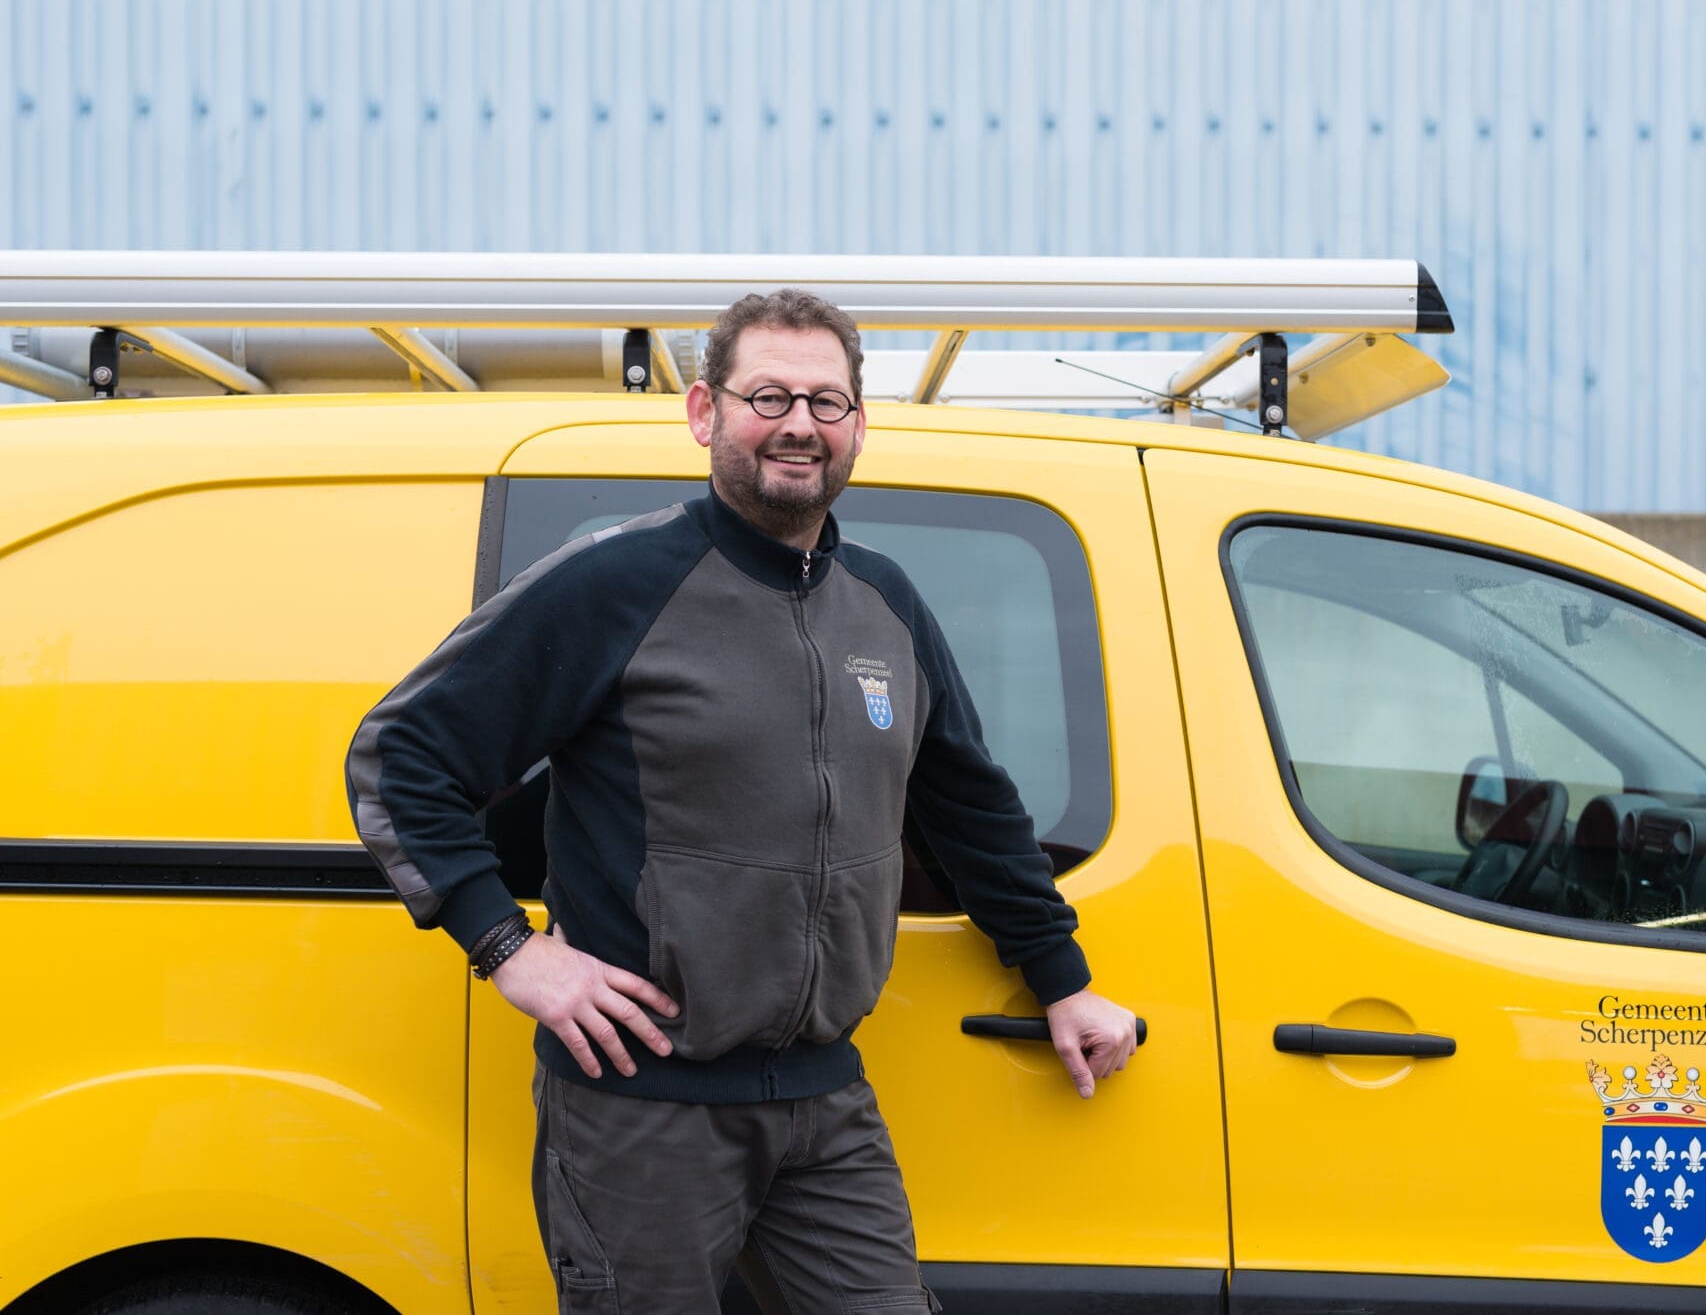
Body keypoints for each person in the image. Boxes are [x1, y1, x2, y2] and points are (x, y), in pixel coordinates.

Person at [345, 288, 1139, 1314]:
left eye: (826, 400)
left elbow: (966, 803)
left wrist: (1060, 976)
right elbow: (399, 755)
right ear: (702, 411)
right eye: (768, 396)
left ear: (857, 423)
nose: (800, 424)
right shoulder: (617, 583)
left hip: (824, 1098)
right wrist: (509, 948)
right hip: (642, 1108)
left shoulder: (886, 601)